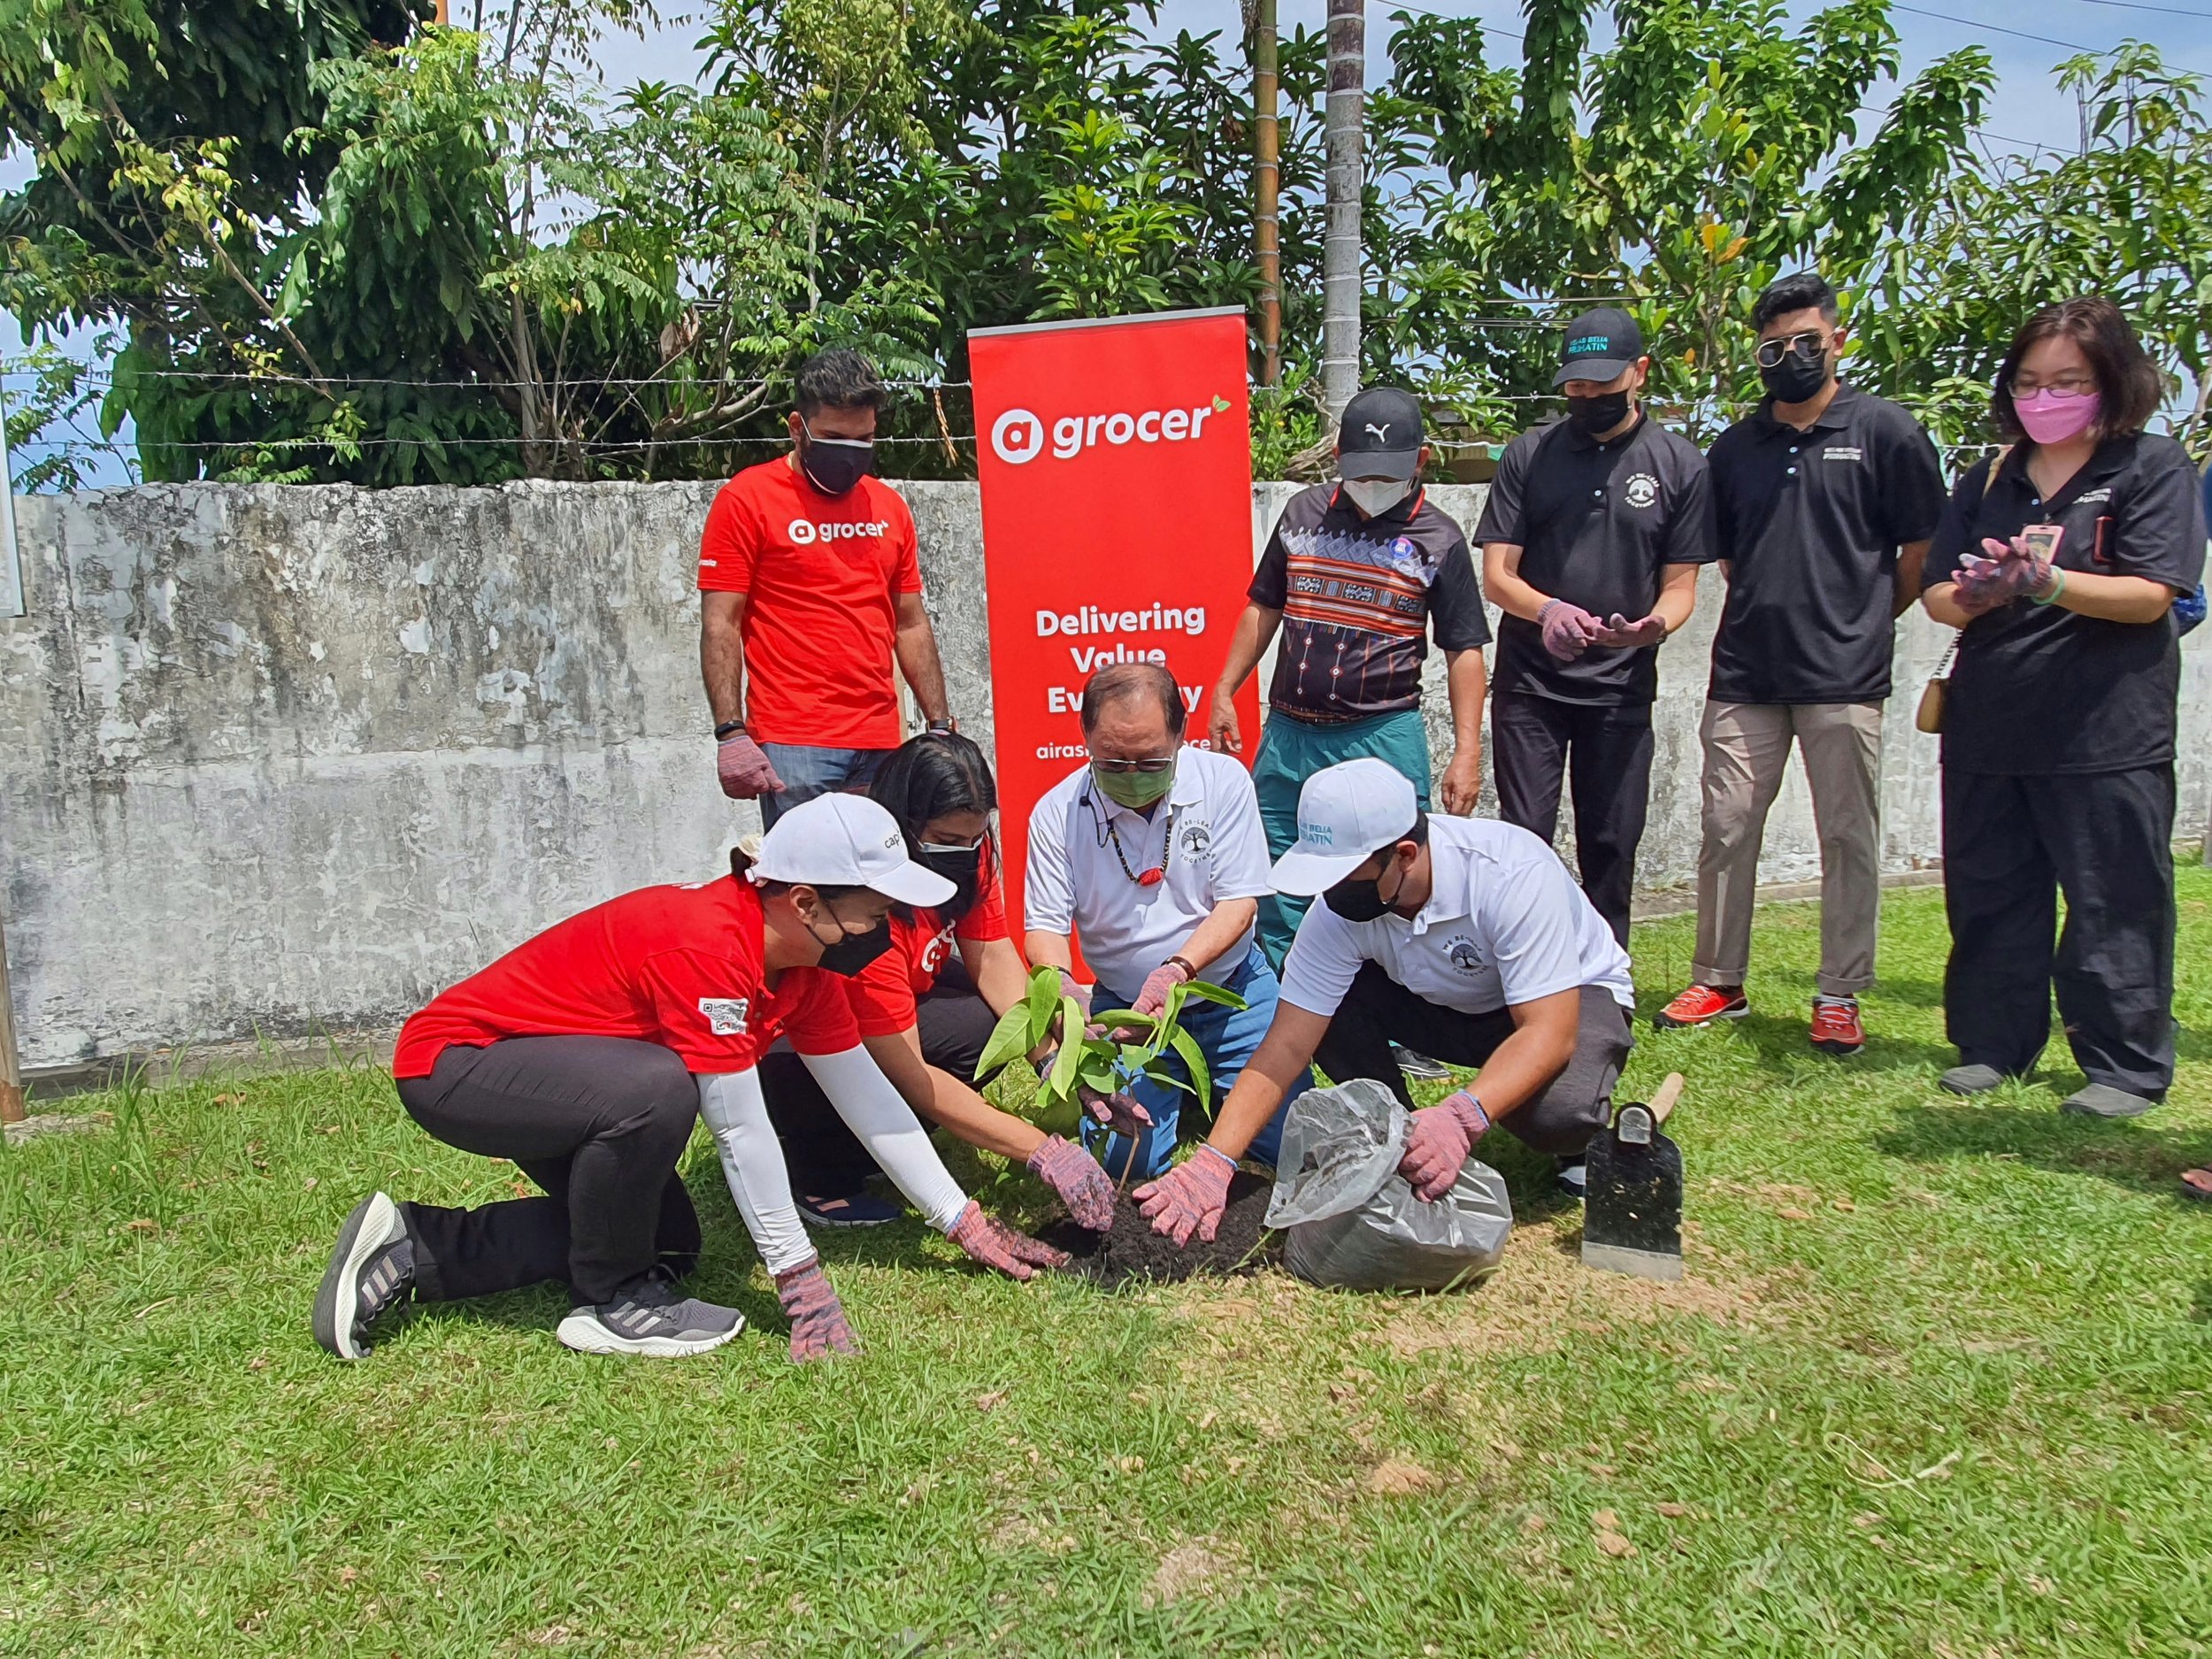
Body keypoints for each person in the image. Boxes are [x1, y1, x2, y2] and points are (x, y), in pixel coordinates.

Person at [313, 793, 1064, 1366]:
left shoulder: (808, 968)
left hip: (564, 1077)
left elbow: (871, 1100)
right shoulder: (709, 946)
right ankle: (608, 1302)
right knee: (662, 1087)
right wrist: (799, 1282)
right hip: (456, 1064)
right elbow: (738, 1128)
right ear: (804, 902)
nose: (886, 932)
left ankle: (416, 1245)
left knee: (667, 1244)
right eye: (874, 915)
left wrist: (958, 1217)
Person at [1132, 757, 1637, 1242]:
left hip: (1563, 999)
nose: (1331, 894)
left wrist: (1461, 1116)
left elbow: (1549, 1031)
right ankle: (1403, 1140)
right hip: (1442, 1003)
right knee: (1326, 1010)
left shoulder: (1510, 873)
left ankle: (1571, 1145)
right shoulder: (1340, 911)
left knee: (1557, 1113)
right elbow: (1285, 1048)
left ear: (1405, 855)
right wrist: (1214, 1163)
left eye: (1346, 877)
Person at [1921, 297, 2206, 1120]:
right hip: (1990, 719)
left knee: (2113, 896)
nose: (2045, 397)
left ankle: (2124, 1063)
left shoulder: (2151, 467)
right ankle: (1992, 1044)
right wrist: (1977, 592)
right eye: (2030, 381)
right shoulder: (1989, 476)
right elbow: (1937, 591)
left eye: (2068, 382)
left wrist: (2047, 583)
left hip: (2105, 726)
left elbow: (2153, 595)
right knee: (1990, 890)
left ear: (2111, 382)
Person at [1656, 272, 1947, 1056]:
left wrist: (1862, 620)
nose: (1791, 358)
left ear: (1838, 341)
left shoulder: (1887, 432)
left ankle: (1839, 991)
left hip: (1845, 679)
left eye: (1806, 343)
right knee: (1726, 826)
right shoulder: (1736, 447)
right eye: (1774, 348)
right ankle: (1720, 977)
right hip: (1747, 673)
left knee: (1847, 835)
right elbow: (1729, 560)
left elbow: (1919, 551)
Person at [760, 732, 1117, 1229]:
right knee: (861, 1080)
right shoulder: (865, 921)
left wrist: (1055, 1058)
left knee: (988, 1024)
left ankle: (896, 1139)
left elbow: (994, 959)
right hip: (797, 1049)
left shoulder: (971, 855)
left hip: (901, 997)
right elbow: (912, 1074)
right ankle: (821, 1172)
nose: (966, 852)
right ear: (903, 826)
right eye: (948, 841)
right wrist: (1041, 1150)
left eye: (975, 838)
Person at [1206, 386, 1491, 973]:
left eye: (1387, 473)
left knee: (1392, 881)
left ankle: (1397, 1015)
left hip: (1381, 735)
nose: (1371, 485)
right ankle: (1292, 1005)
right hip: (1290, 734)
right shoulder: (1302, 515)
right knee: (1277, 876)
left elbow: (1464, 649)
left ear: (1421, 460)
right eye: (1360, 472)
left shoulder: (1440, 540)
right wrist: (1225, 688)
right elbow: (1264, 606)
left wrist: (1468, 749)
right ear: (1338, 454)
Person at [1477, 306, 1717, 944]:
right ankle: (1524, 969)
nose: (1587, 398)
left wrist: (1653, 626)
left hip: (1620, 688)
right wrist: (1547, 609)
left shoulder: (1681, 466)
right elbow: (1498, 575)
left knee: (1611, 841)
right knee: (1523, 838)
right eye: (1576, 387)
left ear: (1639, 373)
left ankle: (1606, 981)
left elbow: (1682, 586)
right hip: (1531, 686)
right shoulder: (1531, 456)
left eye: (1603, 386)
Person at [1026, 662, 1313, 1180]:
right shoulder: (1056, 812)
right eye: (1113, 763)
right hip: (1125, 1014)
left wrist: (1178, 969)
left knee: (1300, 1143)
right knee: (1121, 1159)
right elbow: (1044, 925)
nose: (1133, 776)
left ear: (1182, 734)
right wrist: (1064, 991)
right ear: (1085, 738)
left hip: (1232, 996)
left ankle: (1210, 1092)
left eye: (1151, 760)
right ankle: (1181, 1097)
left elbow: (1239, 903)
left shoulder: (1223, 783)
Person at [698, 348, 954, 826]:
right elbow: (721, 622)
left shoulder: (888, 507)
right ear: (798, 428)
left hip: (882, 741)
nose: (850, 453)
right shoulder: (746, 499)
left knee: (876, 893)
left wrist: (939, 724)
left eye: (864, 439)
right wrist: (731, 733)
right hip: (794, 742)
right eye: (834, 437)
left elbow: (911, 623)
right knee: (808, 892)